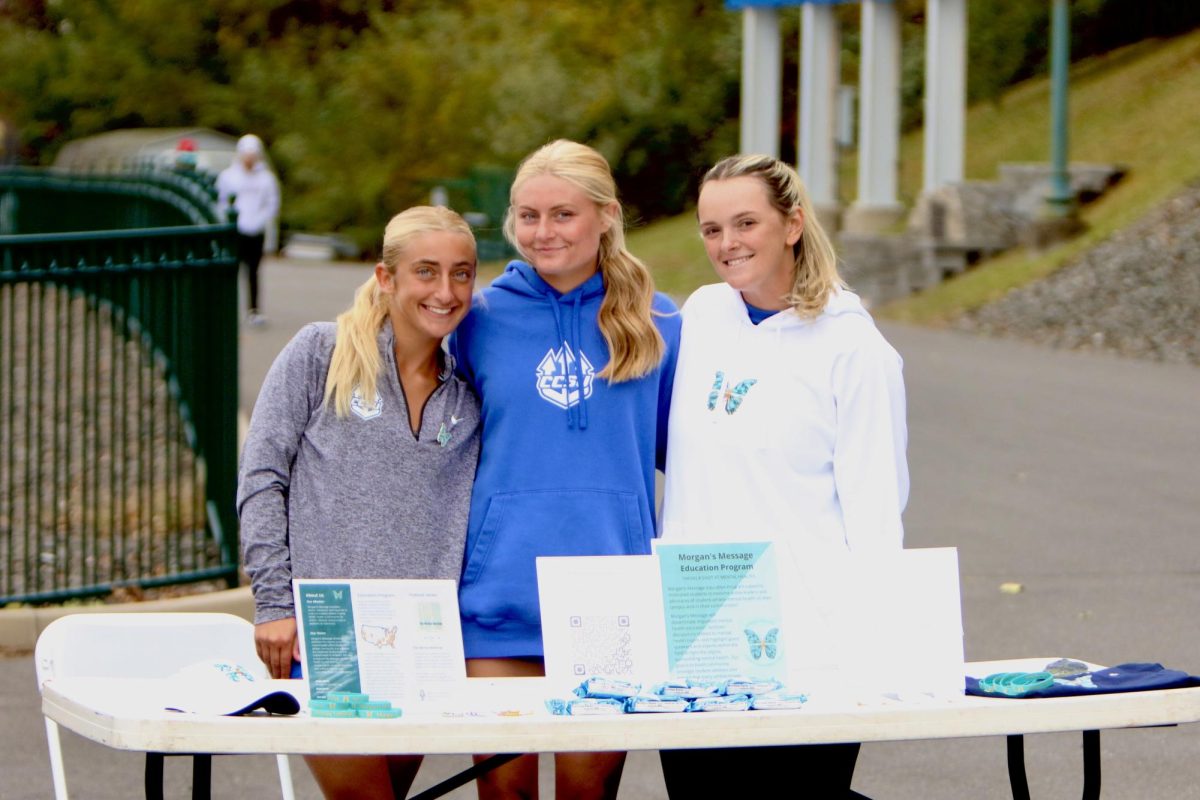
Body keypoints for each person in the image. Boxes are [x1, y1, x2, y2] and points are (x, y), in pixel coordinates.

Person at [658, 154, 908, 797]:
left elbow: (877, 516)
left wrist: (873, 656)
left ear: (792, 224)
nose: (726, 244)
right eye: (711, 229)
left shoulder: (854, 349)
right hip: (698, 637)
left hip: (807, 648)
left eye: (745, 223)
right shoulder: (703, 317)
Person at [449, 139, 681, 800]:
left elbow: (691, 459)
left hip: (615, 601)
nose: (542, 232)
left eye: (562, 214)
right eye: (527, 215)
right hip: (499, 598)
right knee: (503, 795)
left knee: (587, 797)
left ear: (605, 216)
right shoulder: (476, 320)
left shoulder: (661, 322)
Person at [238, 206, 481, 800]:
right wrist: (273, 601)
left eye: (462, 274)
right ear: (386, 277)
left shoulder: (470, 391)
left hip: (423, 643)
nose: (445, 292)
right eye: (426, 271)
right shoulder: (320, 353)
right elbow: (261, 477)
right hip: (329, 631)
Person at [217, 133, 280, 326]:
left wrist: (259, 222)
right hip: (235, 230)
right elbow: (220, 202)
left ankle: (253, 309)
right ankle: (226, 308)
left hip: (255, 230)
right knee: (230, 271)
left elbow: (272, 203)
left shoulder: (266, 179)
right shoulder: (228, 176)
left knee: (253, 272)